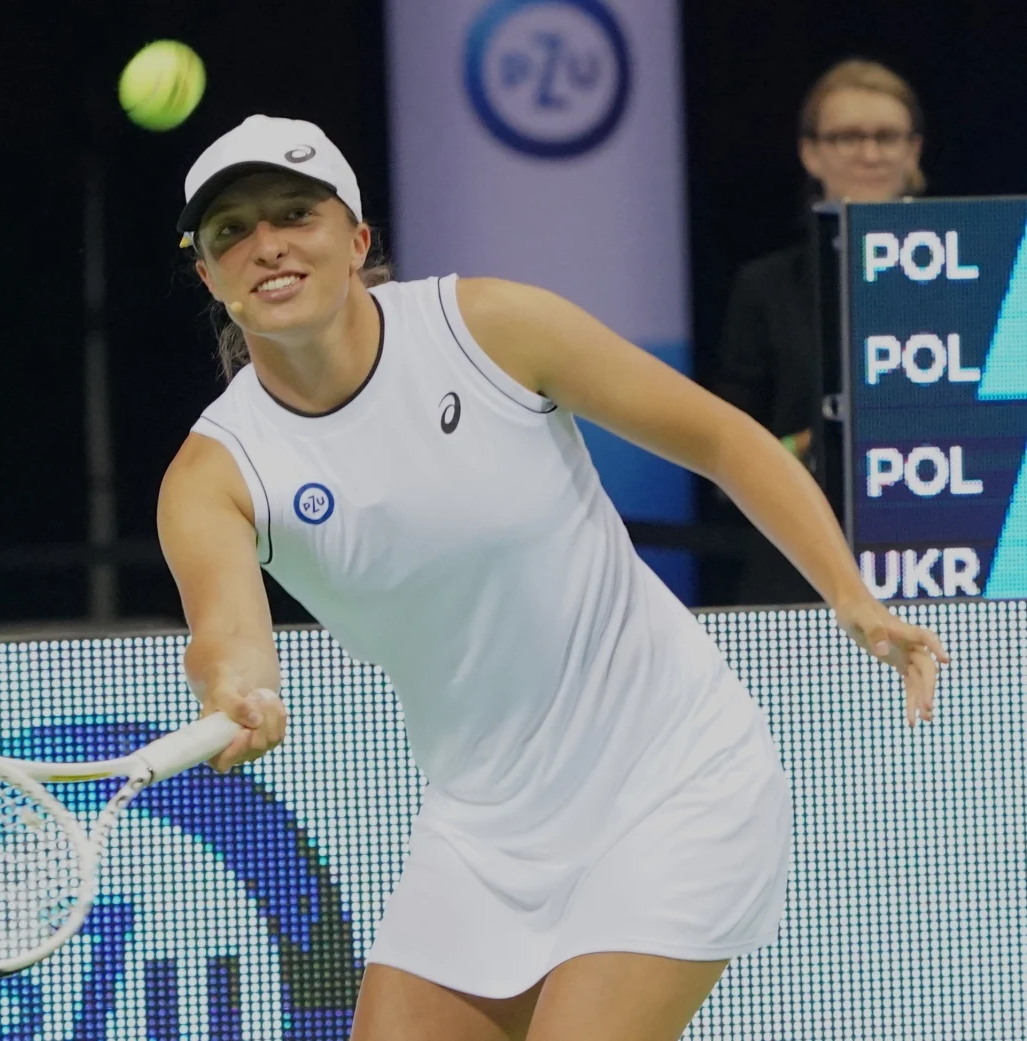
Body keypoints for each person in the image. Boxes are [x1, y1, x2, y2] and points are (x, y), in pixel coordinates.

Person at [157, 114, 948, 1041]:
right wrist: (239, 692)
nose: (267, 245)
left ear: (358, 239)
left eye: (295, 213)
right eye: (231, 234)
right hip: (482, 829)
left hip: (672, 780)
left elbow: (724, 439)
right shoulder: (214, 470)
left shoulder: (487, 327)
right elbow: (230, 635)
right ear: (209, 276)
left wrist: (851, 596)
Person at [713, 58, 927, 605]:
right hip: (800, 578)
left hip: (944, 562)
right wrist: (820, 446)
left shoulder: (972, 279)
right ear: (811, 152)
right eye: (848, 137)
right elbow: (718, 461)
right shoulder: (765, 287)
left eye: (886, 136)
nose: (870, 153)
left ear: (913, 150)